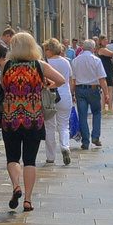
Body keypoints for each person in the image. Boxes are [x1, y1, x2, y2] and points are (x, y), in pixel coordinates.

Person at [0, 33, 66, 212]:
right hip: (33, 118)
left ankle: (15, 186)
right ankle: (27, 200)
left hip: (10, 117)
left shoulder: (5, 65)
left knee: (12, 157)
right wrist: (45, 85)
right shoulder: (39, 65)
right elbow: (61, 80)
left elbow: (4, 88)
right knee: (30, 161)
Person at [41, 38, 75, 166]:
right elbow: (70, 80)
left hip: (49, 96)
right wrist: (72, 94)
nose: (45, 52)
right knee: (63, 125)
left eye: (46, 49)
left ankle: (50, 156)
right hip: (65, 95)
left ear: (50, 50)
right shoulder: (66, 62)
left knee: (49, 126)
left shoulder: (45, 63)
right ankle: (65, 146)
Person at [69, 39, 107, 150]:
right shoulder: (96, 60)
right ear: (93, 49)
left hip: (79, 89)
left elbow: (73, 80)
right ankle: (95, 136)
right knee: (96, 112)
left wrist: (71, 93)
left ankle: (85, 141)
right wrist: (106, 93)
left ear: (83, 48)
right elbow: (101, 78)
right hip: (93, 89)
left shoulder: (75, 61)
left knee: (82, 115)